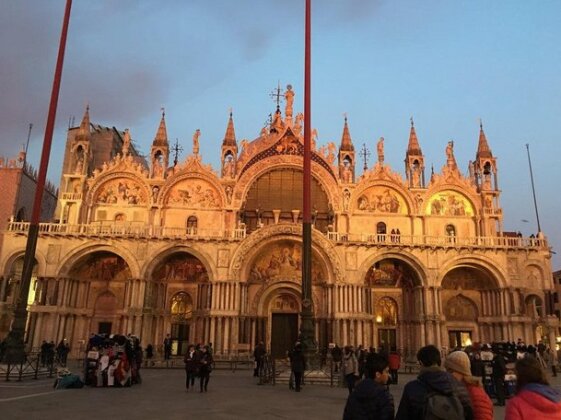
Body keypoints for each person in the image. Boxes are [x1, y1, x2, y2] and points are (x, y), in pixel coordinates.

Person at [395, 344, 473, 420]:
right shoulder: (458, 384)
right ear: (439, 361)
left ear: (420, 363)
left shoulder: (412, 388)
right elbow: (469, 412)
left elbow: (402, 416)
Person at [343, 354, 394, 420]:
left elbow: (347, 415)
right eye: (386, 372)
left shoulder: (355, 392)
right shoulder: (384, 396)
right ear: (378, 374)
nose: (388, 375)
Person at [445, 351, 494, 420]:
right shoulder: (461, 388)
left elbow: (484, 416)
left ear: (459, 371)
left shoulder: (475, 393)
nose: (447, 374)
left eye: (450, 370)